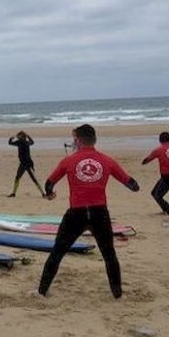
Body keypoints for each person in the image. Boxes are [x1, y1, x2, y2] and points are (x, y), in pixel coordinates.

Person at [36, 124, 140, 298]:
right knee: (109, 255)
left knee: (58, 252)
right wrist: (132, 185)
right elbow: (132, 184)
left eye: (73, 139)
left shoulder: (68, 161)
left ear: (77, 140)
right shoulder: (108, 160)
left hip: (76, 213)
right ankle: (117, 294)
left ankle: (41, 292)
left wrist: (49, 194)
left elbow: (49, 183)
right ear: (94, 140)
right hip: (100, 213)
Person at [141, 132, 169, 219]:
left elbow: (147, 160)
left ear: (160, 139)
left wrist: (143, 162)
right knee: (154, 193)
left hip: (167, 178)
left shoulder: (158, 150)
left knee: (158, 196)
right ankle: (164, 210)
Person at [8, 130, 43, 197]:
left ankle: (43, 193)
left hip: (26, 164)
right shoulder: (25, 142)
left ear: (22, 136)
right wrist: (28, 136)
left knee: (30, 178)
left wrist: (11, 138)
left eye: (19, 135)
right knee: (20, 178)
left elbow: (10, 143)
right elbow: (32, 142)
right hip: (25, 163)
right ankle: (14, 193)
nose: (18, 136)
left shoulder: (20, 142)